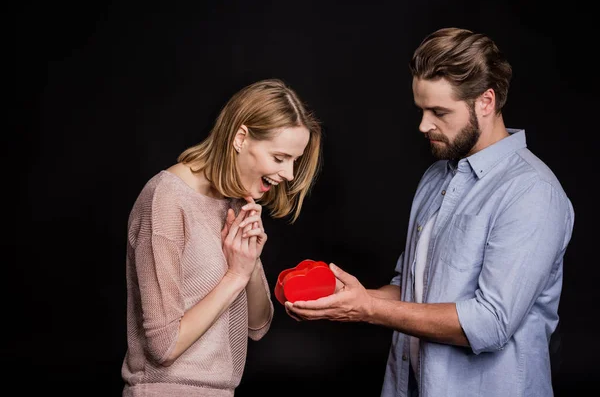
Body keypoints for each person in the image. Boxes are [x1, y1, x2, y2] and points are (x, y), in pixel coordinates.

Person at [285, 27, 574, 397]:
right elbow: (412, 288)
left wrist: (367, 309)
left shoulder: (532, 192)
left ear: (486, 102)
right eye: (421, 110)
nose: (424, 125)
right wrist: (348, 298)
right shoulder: (437, 176)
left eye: (439, 112)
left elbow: (490, 323)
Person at [121, 78, 323, 396]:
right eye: (280, 158)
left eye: (294, 161)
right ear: (241, 137)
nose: (288, 175)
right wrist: (235, 275)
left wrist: (250, 261)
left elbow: (258, 327)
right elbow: (164, 346)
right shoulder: (166, 198)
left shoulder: (235, 202)